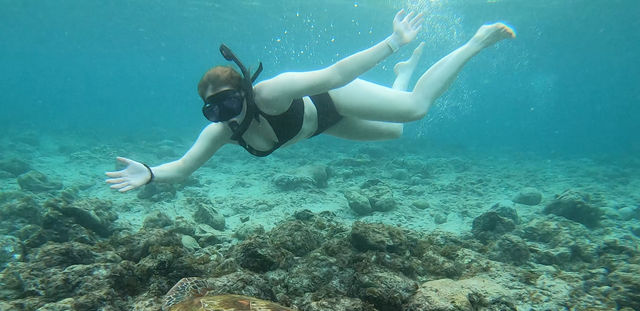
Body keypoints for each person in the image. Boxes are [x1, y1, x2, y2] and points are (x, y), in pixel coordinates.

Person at [106, 10, 515, 192]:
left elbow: (337, 74)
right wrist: (150, 173)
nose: (225, 114)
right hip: (325, 125)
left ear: (246, 91)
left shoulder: (272, 92)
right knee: (395, 131)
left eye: (229, 103)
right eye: (214, 110)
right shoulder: (221, 132)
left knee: (415, 108)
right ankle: (401, 76)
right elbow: (182, 167)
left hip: (331, 97)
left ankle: (475, 41)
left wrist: (393, 41)